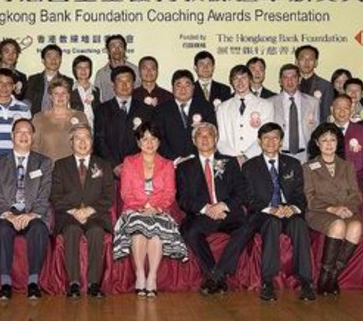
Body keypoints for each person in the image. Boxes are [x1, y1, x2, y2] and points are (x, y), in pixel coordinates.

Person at [113, 122, 187, 298]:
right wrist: (142, 207)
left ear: (159, 142)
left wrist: (156, 207)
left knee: (156, 231)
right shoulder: (129, 162)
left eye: (153, 139)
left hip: (159, 210)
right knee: (139, 228)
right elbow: (126, 192)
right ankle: (140, 274)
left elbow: (170, 193)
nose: (149, 143)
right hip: (133, 209)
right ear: (138, 142)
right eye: (145, 139)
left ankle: (152, 276)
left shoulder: (167, 164)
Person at [243, 123, 315, 301]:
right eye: (266, 138)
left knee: (299, 223)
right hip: (264, 212)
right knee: (272, 223)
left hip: (288, 210)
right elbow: (249, 199)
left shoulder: (293, 163)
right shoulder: (249, 166)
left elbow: (300, 195)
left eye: (275, 137)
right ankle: (267, 282)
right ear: (259, 142)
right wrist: (271, 209)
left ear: (281, 142)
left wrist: (292, 207)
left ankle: (306, 281)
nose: (270, 141)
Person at [177, 123, 249, 295]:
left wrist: (223, 206)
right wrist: (206, 208)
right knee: (191, 232)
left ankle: (217, 274)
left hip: (227, 213)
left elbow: (242, 192)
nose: (204, 138)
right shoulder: (184, 167)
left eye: (208, 135)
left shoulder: (230, 162)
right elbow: (183, 199)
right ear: (194, 141)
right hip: (202, 215)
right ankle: (215, 274)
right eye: (199, 135)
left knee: (247, 227)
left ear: (216, 139)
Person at [0, 118, 53, 300]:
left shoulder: (44, 163)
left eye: (28, 132)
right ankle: (5, 284)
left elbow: (44, 193)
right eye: (19, 132)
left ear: (33, 136)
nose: (24, 136)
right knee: (1, 229)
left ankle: (33, 282)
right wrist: (7, 214)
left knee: (39, 228)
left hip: (33, 212)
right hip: (7, 213)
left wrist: (32, 214)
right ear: (12, 136)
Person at [49, 124, 114, 298]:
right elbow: (55, 196)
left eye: (87, 137)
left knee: (96, 231)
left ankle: (94, 283)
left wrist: (90, 210)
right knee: (72, 230)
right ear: (71, 142)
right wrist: (74, 211)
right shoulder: (61, 165)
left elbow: (109, 196)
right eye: (78, 138)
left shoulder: (103, 165)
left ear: (92, 142)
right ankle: (74, 283)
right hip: (69, 215)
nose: (83, 142)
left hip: (96, 215)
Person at [303, 123, 362, 295]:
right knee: (338, 225)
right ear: (317, 143)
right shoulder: (308, 167)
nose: (329, 144)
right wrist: (333, 209)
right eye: (324, 140)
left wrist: (347, 208)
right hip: (320, 212)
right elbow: (310, 198)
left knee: (356, 226)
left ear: (338, 143)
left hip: (347, 210)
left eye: (333, 140)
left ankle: (334, 274)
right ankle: (324, 275)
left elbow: (355, 194)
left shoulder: (347, 165)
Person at [94, 66, 153, 171]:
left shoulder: (146, 110)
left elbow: (149, 140)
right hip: (109, 169)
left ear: (134, 84)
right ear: (113, 84)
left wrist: (133, 163)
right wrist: (114, 165)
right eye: (120, 81)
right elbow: (99, 141)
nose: (124, 85)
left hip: (138, 168)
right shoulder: (101, 110)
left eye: (128, 81)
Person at [152, 69, 217, 162]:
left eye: (187, 85)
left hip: (200, 161)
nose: (183, 89)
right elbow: (158, 138)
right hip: (170, 162)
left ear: (193, 87)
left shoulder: (206, 107)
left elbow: (212, 135)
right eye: (178, 85)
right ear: (172, 88)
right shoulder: (161, 110)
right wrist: (175, 159)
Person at [216, 65, 274, 165]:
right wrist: (236, 159)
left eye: (244, 78)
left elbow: (265, 136)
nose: (240, 82)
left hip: (257, 160)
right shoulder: (222, 108)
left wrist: (246, 156)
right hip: (232, 162)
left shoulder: (266, 105)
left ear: (250, 80)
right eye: (236, 78)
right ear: (231, 82)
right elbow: (221, 140)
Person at [269, 63, 318, 163]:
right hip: (279, 155)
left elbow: (316, 130)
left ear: (299, 80)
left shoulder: (313, 102)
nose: (290, 81)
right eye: (285, 78)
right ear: (280, 81)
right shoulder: (269, 103)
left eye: (293, 77)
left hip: (305, 156)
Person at [32, 78, 89, 161]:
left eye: (64, 93)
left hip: (72, 169)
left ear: (69, 96)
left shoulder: (80, 116)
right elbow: (34, 147)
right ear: (51, 97)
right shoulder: (39, 117)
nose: (60, 96)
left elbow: (86, 144)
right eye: (56, 94)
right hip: (48, 169)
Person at [331, 94, 363, 186]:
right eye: (338, 108)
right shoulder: (324, 131)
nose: (342, 112)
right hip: (330, 185)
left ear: (352, 110)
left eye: (346, 108)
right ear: (331, 109)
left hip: (357, 183)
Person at [24, 44, 75, 115]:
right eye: (49, 56)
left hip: (61, 122)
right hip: (37, 122)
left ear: (60, 60)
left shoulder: (68, 81)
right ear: (43, 60)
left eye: (56, 57)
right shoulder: (33, 80)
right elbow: (27, 103)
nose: (53, 60)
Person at [94, 35, 141, 102]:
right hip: (107, 111)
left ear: (125, 49)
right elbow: (98, 100)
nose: (117, 49)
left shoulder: (136, 71)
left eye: (120, 46)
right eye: (113, 46)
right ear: (107, 50)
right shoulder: (101, 74)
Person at [296, 45, 334, 123]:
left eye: (310, 59)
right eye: (303, 59)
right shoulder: (290, 84)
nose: (306, 62)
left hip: (316, 131)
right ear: (296, 62)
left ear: (316, 63)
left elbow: (327, 115)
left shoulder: (325, 86)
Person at [69, 55, 100, 123]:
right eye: (79, 67)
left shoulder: (97, 91)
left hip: (95, 130)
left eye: (86, 67)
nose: (83, 70)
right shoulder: (69, 90)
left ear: (90, 69)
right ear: (74, 70)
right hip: (76, 129)